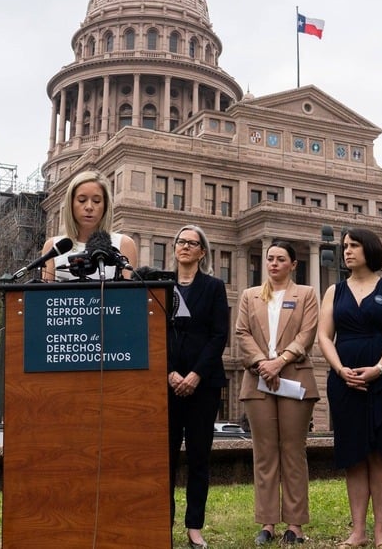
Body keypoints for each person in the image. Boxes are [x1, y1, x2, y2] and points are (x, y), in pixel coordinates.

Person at [318, 228, 382, 549]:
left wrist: (379, 369)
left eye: (354, 246)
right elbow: (324, 336)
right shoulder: (334, 291)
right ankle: (357, 531)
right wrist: (339, 368)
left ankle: (381, 533)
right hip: (345, 382)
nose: (347, 251)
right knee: (354, 454)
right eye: (344, 246)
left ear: (369, 249)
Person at [235, 241, 320, 545]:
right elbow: (242, 333)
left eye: (280, 259)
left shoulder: (306, 295)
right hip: (258, 380)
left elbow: (307, 333)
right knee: (265, 453)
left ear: (293, 264)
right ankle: (267, 523)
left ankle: (295, 525)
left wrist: (280, 361)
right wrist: (262, 363)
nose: (273, 263)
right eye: (270, 258)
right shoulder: (249, 296)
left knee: (293, 452)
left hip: (294, 379)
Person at [166, 225, 229, 549]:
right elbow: (150, 331)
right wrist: (169, 373)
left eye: (192, 243)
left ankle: (194, 527)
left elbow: (220, 335)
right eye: (181, 241)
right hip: (166, 385)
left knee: (198, 457)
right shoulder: (161, 285)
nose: (185, 247)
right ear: (175, 247)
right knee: (164, 459)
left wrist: (195, 375)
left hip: (202, 386)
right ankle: (163, 524)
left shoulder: (214, 287)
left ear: (202, 252)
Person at [40, 170, 138, 282]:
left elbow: (129, 294)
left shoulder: (124, 244)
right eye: (82, 200)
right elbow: (47, 297)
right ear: (71, 204)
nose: (89, 207)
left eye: (96, 201)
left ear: (105, 206)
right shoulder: (53, 247)